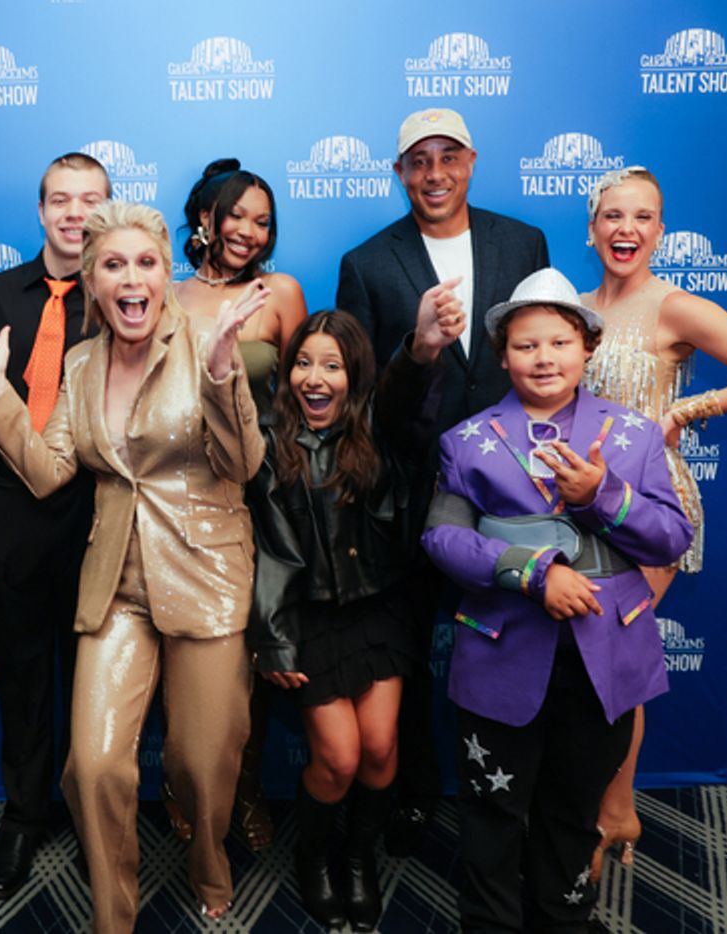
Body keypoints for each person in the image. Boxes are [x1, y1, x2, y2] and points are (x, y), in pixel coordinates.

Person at [0, 201, 266, 933]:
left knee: (202, 766)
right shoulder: (81, 365)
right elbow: (51, 471)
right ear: (93, 282)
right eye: (113, 265)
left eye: (145, 262)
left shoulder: (207, 342)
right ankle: (114, 914)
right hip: (116, 583)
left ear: (164, 272)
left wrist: (222, 378)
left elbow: (243, 463)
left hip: (206, 579)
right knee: (93, 766)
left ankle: (208, 852)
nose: (131, 278)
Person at [422, 267, 694, 932]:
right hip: (503, 655)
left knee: (573, 812)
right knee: (493, 816)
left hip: (604, 658)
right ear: (502, 355)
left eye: (559, 342)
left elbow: (671, 536)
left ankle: (565, 920)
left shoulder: (631, 436)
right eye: (526, 345)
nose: (544, 358)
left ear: (587, 347)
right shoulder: (468, 443)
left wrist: (601, 497)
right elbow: (443, 541)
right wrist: (534, 572)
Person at [579, 166, 727, 876]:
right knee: (601, 659)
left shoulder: (673, 307)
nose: (626, 229)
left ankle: (614, 810)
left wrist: (690, 410)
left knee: (612, 655)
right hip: (588, 507)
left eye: (643, 217)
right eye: (613, 215)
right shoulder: (579, 308)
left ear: (660, 230)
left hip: (652, 506)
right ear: (591, 228)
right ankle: (613, 808)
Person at [336, 106, 550, 855]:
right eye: (418, 161)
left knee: (513, 639)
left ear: (471, 161)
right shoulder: (367, 264)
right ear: (399, 173)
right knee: (410, 655)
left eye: (447, 157)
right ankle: (418, 795)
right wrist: (418, 351)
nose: (434, 174)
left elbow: (542, 362)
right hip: (411, 496)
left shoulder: (521, 244)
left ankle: (512, 789)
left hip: (513, 494)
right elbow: (362, 401)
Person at [247, 290, 464, 931]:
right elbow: (266, 552)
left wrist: (422, 346)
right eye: (304, 364)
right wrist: (275, 641)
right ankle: (314, 857)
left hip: (379, 610)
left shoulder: (380, 429)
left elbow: (404, 391)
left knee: (380, 750)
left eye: (333, 365)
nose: (316, 378)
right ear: (288, 375)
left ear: (354, 377)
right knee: (338, 758)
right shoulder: (266, 443)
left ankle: (359, 858)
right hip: (306, 617)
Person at [0, 151, 109, 899]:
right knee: (20, 677)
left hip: (96, 521)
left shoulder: (122, 298)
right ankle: (23, 816)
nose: (74, 213)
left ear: (107, 209)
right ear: (41, 212)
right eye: (61, 200)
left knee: (95, 682)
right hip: (5, 520)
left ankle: (89, 816)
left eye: (90, 201)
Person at [167, 157, 308, 852]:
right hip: (185, 494)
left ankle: (243, 788)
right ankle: (186, 790)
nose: (249, 231)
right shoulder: (164, 297)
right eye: (237, 216)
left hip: (263, 493)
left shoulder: (279, 292)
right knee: (193, 652)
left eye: (263, 220)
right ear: (205, 219)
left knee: (250, 653)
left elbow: (306, 391)